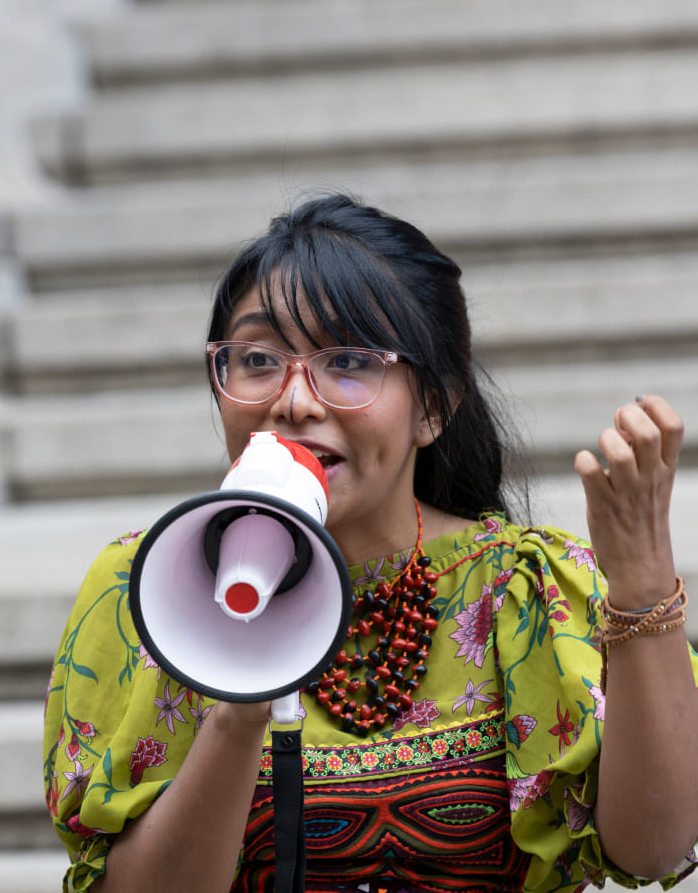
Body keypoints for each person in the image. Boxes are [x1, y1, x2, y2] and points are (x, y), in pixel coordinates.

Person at [43, 193, 698, 892]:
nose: (293, 401)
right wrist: (243, 694)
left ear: (434, 406)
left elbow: (651, 850)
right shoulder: (147, 590)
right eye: (258, 359)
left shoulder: (528, 588)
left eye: (348, 361)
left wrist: (642, 583)